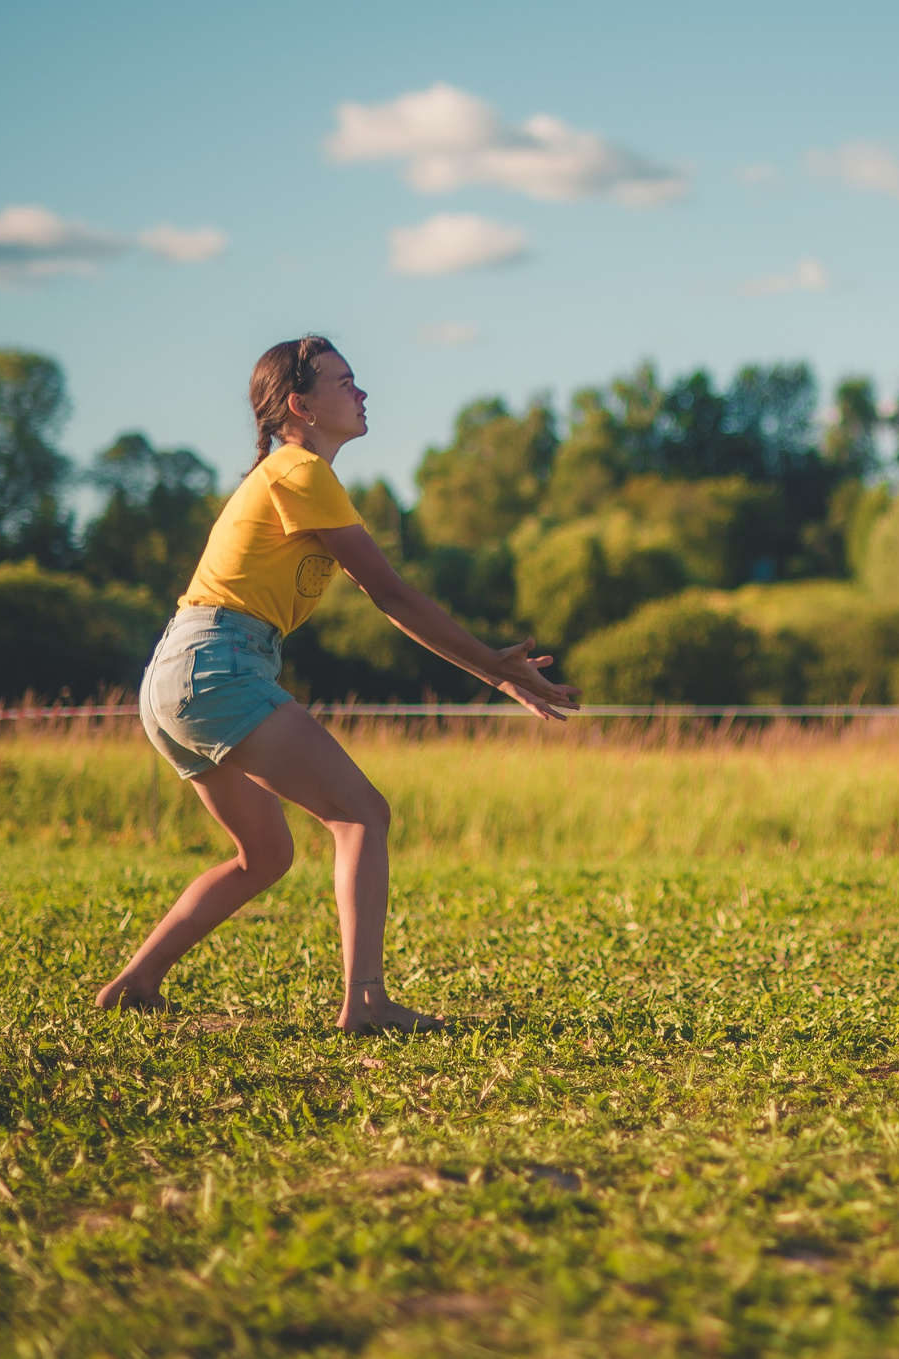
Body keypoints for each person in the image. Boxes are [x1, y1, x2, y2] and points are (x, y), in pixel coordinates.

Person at [95, 335, 579, 1030]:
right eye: (344, 381)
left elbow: (385, 597)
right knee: (362, 814)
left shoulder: (285, 475)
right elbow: (391, 593)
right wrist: (493, 666)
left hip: (178, 672)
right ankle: (368, 1001)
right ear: (299, 405)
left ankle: (136, 981)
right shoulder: (298, 468)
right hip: (217, 662)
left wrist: (494, 674)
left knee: (264, 855)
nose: (362, 392)